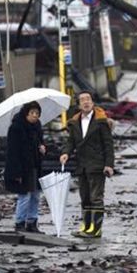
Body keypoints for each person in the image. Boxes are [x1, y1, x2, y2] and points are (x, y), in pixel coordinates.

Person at [59, 91, 115, 238]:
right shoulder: (75, 122)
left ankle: (96, 229)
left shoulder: (101, 121)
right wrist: (66, 153)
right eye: (82, 100)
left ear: (92, 102)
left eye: (88, 99)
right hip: (82, 165)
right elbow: (71, 141)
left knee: (96, 197)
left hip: (97, 165)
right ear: (78, 105)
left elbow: (108, 144)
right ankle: (86, 226)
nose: (86, 102)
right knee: (85, 197)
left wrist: (109, 164)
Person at [4, 101, 46, 233]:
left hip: (35, 166)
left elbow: (40, 143)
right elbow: (13, 152)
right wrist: (16, 173)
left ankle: (32, 222)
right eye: (32, 113)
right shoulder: (16, 128)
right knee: (24, 196)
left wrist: (43, 148)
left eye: (37, 113)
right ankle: (20, 223)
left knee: (35, 195)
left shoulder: (37, 127)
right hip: (22, 168)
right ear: (26, 113)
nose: (35, 116)